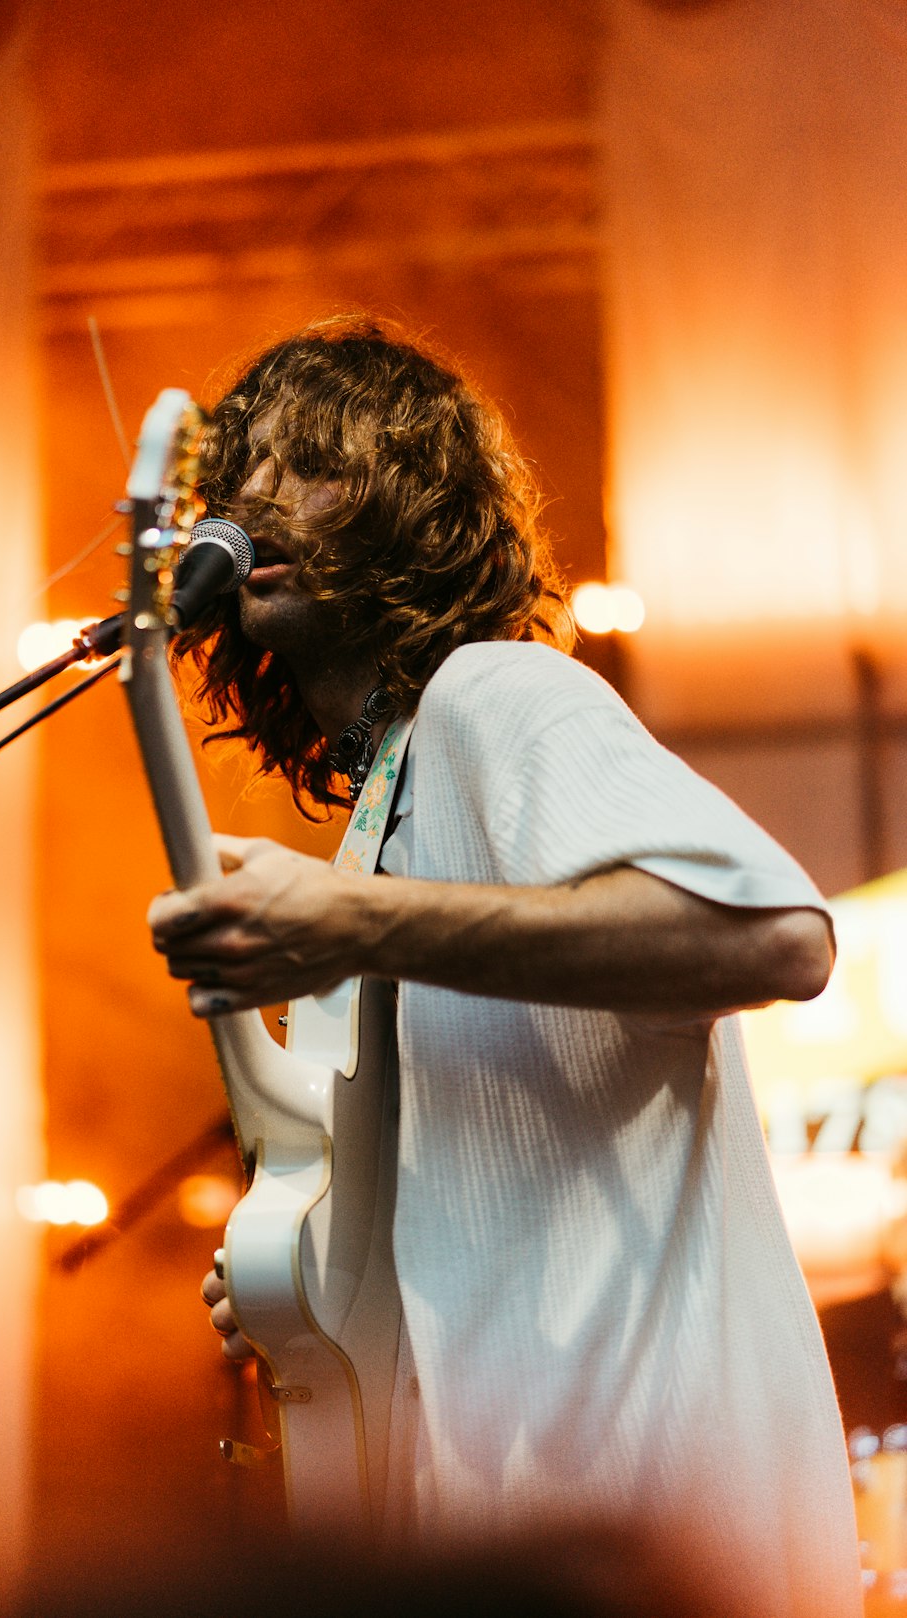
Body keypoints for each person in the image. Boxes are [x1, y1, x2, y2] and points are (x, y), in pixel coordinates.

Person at [147, 317, 863, 1617]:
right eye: (238, 473)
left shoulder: (496, 694)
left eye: (310, 462)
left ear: (413, 508)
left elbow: (779, 936)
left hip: (648, 1517)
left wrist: (363, 925)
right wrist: (311, 1269)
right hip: (498, 1533)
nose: (255, 504)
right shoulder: (387, 818)